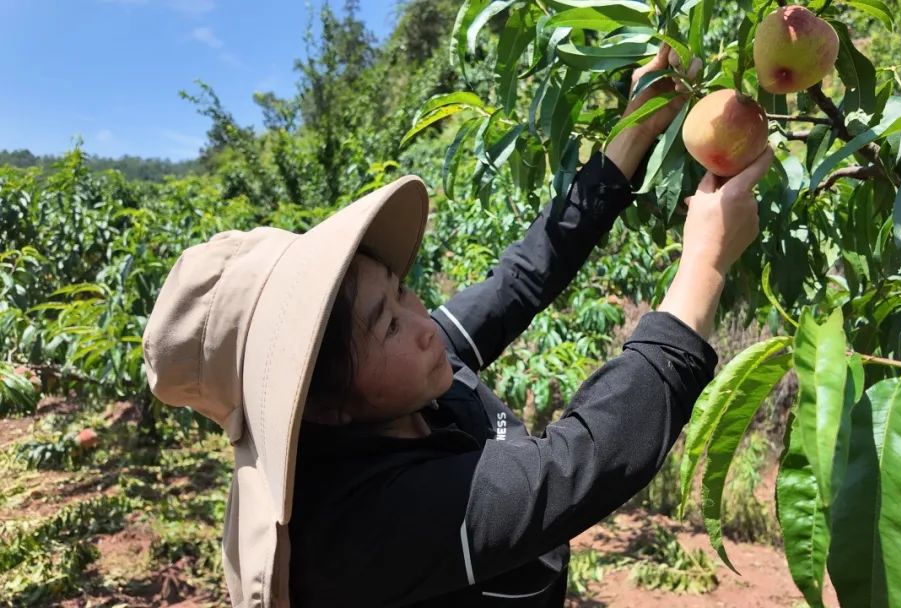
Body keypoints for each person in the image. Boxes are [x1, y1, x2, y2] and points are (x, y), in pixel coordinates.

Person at [141, 44, 773, 607]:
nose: (422, 321)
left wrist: (636, 128)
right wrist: (704, 264)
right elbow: (582, 462)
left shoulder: (393, 380)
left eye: (401, 291)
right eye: (386, 324)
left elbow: (523, 276)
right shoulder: (362, 526)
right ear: (321, 404)